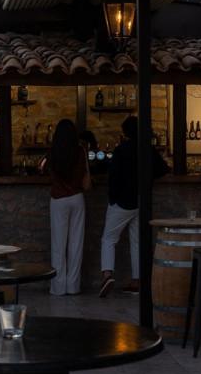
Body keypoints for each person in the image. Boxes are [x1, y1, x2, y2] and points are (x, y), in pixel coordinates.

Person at [99, 116, 169, 297]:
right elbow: (163, 169)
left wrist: (112, 198)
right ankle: (137, 281)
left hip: (122, 201)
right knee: (137, 241)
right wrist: (146, 179)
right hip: (141, 201)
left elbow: (113, 176)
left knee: (109, 238)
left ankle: (107, 275)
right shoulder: (148, 149)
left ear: (126, 132)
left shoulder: (121, 150)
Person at [48, 118, 91, 295]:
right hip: (77, 198)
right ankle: (73, 286)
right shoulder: (80, 151)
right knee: (76, 243)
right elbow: (86, 178)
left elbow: (44, 170)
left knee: (59, 245)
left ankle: (58, 287)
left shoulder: (52, 152)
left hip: (58, 199)